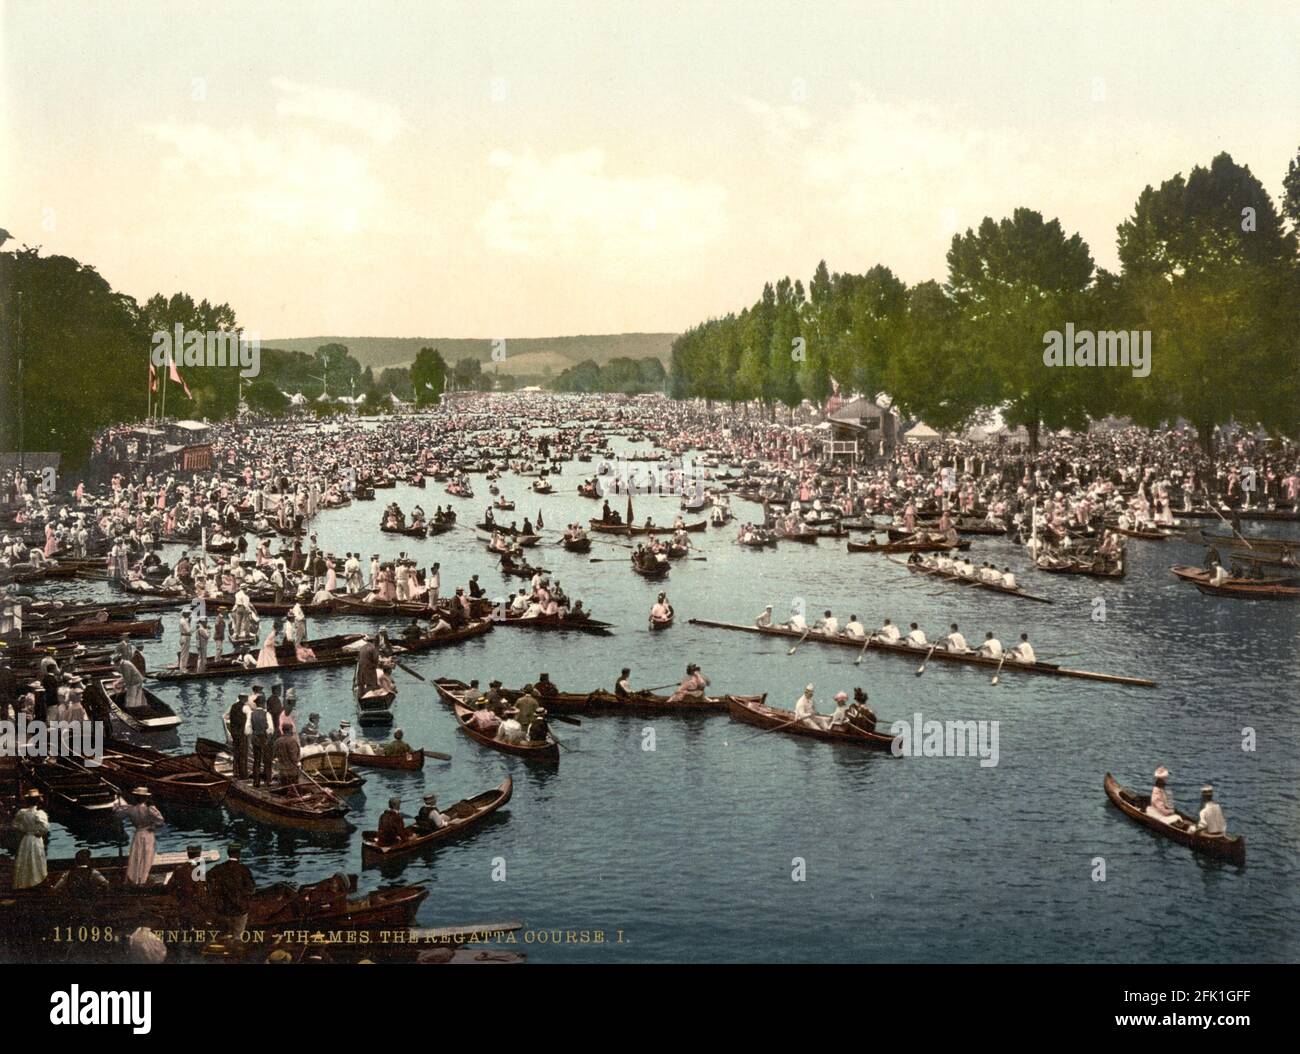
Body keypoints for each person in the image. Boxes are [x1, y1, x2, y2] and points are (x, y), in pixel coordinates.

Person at [112, 787, 164, 885]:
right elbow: (160, 821)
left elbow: (117, 815)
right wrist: (153, 826)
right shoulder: (150, 808)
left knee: (137, 855)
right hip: (148, 833)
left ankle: (135, 878)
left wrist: (116, 805)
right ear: (145, 798)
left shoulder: (130, 809)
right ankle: (143, 878)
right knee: (147, 856)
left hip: (138, 833)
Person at [207, 843, 256, 941]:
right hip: (239, 909)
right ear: (239, 854)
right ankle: (236, 948)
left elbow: (207, 880)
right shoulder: (244, 869)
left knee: (222, 936)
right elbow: (251, 889)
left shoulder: (217, 868)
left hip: (223, 909)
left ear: (228, 853)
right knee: (238, 936)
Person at [11, 789, 49, 889]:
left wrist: (24, 830)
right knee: (36, 858)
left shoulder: (22, 812)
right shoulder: (39, 813)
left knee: (25, 859)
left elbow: (14, 825)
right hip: (35, 839)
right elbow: (45, 828)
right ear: (38, 801)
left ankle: (25, 882)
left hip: (26, 838)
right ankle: (37, 881)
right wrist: (38, 832)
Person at [249, 697, 275, 786]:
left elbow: (248, 729)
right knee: (267, 760)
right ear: (263, 704)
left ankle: (256, 782)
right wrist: (268, 737)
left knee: (257, 760)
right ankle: (268, 781)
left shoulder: (251, 714)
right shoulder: (267, 714)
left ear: (256, 704)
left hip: (255, 738)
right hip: (264, 738)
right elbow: (271, 729)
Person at [227, 694, 250, 778]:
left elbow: (231, 719)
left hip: (235, 733)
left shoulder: (233, 706)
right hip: (242, 733)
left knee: (236, 753)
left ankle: (235, 772)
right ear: (244, 698)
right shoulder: (245, 708)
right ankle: (243, 774)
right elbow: (246, 721)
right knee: (243, 754)